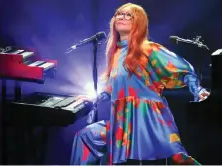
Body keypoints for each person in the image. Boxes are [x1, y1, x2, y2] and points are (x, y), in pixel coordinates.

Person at [70, 2, 210, 165]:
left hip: (148, 120)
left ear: (138, 22)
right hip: (122, 124)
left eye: (128, 15)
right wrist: (95, 99)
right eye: (118, 14)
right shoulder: (115, 54)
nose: (121, 17)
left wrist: (197, 90)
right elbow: (111, 88)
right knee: (86, 137)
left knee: (179, 160)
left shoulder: (148, 49)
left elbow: (184, 69)